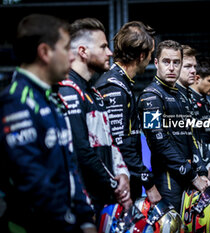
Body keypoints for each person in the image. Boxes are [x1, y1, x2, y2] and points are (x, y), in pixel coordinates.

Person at [0, 14, 96, 233]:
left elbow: (70, 167)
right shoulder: (16, 100)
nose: (72, 58)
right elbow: (32, 181)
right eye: (65, 49)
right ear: (44, 52)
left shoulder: (51, 96)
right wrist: (70, 222)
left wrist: (86, 218)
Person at [58, 18, 131, 220]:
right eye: (104, 46)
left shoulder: (94, 93)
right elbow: (82, 151)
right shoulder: (68, 90)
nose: (110, 52)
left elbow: (111, 141)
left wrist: (123, 174)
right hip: (84, 199)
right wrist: (116, 185)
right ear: (83, 51)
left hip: (104, 195)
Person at [94, 21, 161, 205]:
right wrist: (149, 184)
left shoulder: (121, 82)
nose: (150, 59)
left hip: (123, 179)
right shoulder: (115, 86)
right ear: (141, 56)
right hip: (117, 185)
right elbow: (121, 143)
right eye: (150, 54)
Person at [138, 40, 209, 212]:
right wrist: (193, 176)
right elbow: (158, 143)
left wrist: (201, 170)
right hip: (168, 180)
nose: (171, 67)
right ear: (156, 63)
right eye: (166, 62)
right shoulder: (151, 97)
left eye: (176, 62)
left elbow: (189, 135)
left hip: (188, 175)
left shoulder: (181, 95)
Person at [176, 46, 210, 183]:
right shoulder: (161, 96)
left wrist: (208, 166)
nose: (194, 71)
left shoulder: (190, 97)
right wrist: (196, 175)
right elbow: (166, 145)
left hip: (199, 168)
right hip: (180, 175)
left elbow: (196, 138)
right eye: (188, 66)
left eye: (194, 66)